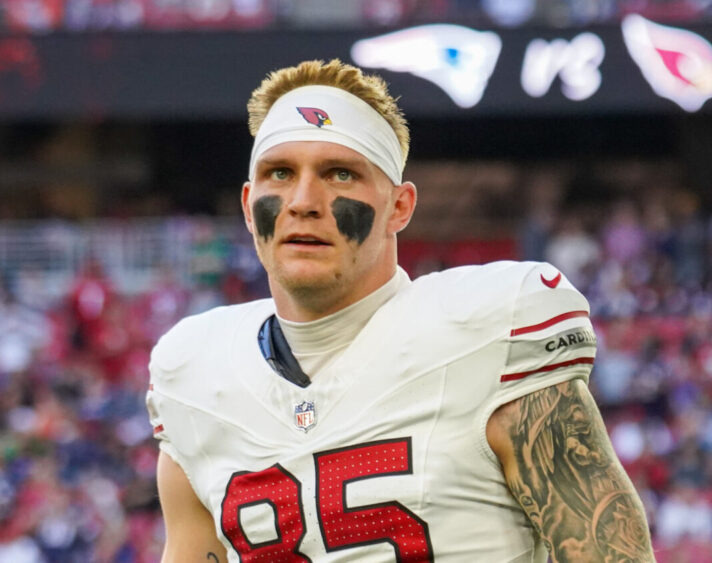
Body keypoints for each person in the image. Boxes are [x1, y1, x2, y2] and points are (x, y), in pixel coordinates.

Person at [146, 59, 653, 562]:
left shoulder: (490, 329)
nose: (303, 201)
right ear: (248, 202)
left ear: (400, 207)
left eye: (339, 173)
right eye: (280, 173)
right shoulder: (193, 375)